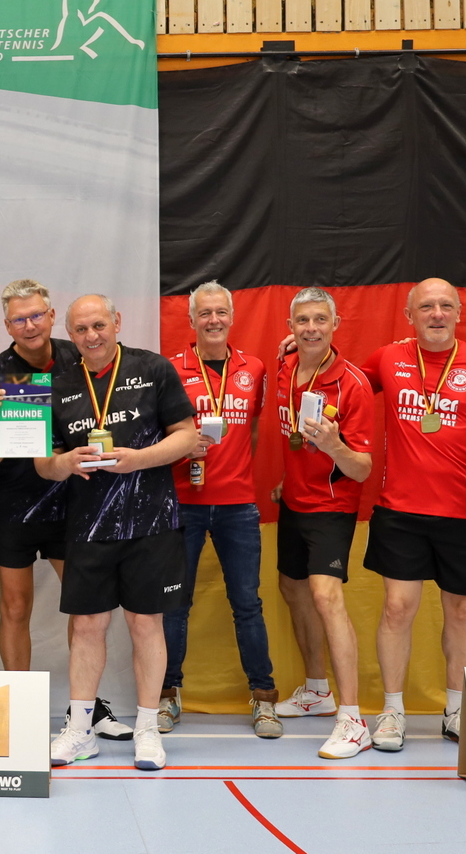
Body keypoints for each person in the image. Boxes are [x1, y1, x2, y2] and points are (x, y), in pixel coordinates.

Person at [359, 278, 466, 752]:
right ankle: (393, 711)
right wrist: (306, 349)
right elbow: (342, 383)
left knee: (463, 610)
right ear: (409, 316)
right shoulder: (387, 358)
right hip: (401, 510)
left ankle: (455, 710)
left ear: (458, 313)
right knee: (396, 608)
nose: (436, 314)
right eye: (426, 306)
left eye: (445, 306)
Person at [37, 295, 197, 771]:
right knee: (88, 625)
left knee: (146, 623)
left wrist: (138, 459)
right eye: (81, 329)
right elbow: (43, 464)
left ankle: (147, 729)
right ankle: (80, 730)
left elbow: (187, 435)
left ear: (117, 322)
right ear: (70, 334)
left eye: (99, 325)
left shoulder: (154, 368)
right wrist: (65, 462)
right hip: (88, 526)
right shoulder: (57, 383)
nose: (92, 336)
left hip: (151, 522)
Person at [0, 279, 133, 740]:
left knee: (85, 608)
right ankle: (18, 713)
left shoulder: (76, 355)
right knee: (15, 606)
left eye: (36, 316)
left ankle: (85, 709)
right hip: (12, 504)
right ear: (7, 326)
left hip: (71, 500)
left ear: (50, 315)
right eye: (19, 319)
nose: (29, 326)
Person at [161, 282, 278, 738]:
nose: (213, 320)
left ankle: (264, 698)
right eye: (205, 313)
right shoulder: (170, 369)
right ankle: (167, 695)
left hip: (238, 506)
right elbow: (160, 436)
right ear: (192, 320)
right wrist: (184, 451)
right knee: (175, 605)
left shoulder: (255, 367)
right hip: (183, 504)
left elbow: (251, 430)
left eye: (220, 312)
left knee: (247, 603)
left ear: (232, 316)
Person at [269, 287, 376, 759]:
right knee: (291, 588)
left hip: (332, 506)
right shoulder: (285, 368)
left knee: (325, 596)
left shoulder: (353, 384)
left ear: (335, 324)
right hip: (293, 502)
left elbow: (363, 469)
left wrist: (334, 446)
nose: (311, 328)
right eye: (302, 321)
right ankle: (317, 690)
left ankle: (353, 720)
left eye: (319, 320)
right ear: (290, 327)